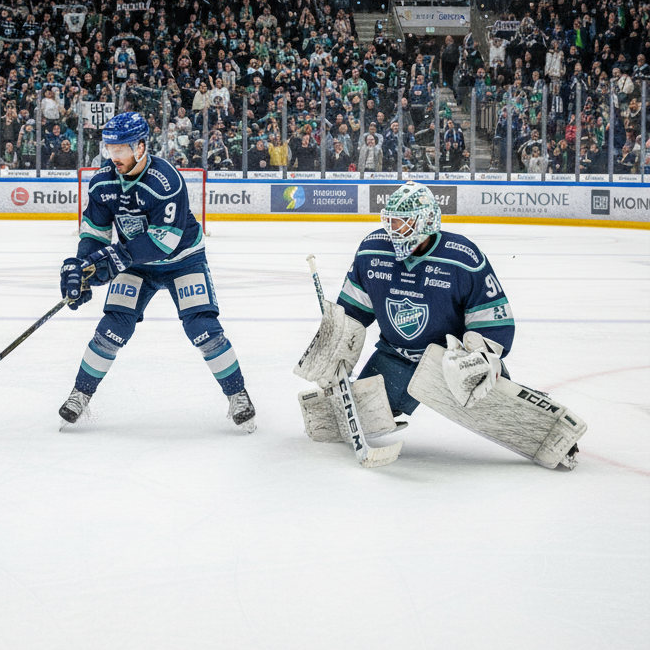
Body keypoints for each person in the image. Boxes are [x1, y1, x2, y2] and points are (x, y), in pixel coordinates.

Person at [297, 181, 583, 470]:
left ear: (427, 222)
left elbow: (492, 318)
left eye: (403, 222)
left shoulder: (462, 257)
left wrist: (480, 358)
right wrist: (333, 347)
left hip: (451, 361)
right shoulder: (372, 250)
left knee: (489, 400)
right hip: (396, 356)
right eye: (391, 221)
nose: (394, 229)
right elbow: (352, 313)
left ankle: (545, 425)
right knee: (339, 419)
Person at [58, 112, 255, 431]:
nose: (114, 156)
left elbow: (166, 240)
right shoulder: (103, 182)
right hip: (134, 264)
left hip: (183, 260)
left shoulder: (166, 180)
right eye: (110, 148)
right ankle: (80, 394)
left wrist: (115, 259)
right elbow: (94, 232)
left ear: (140, 146)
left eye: (120, 149)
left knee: (202, 327)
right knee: (112, 327)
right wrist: (82, 266)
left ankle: (238, 395)